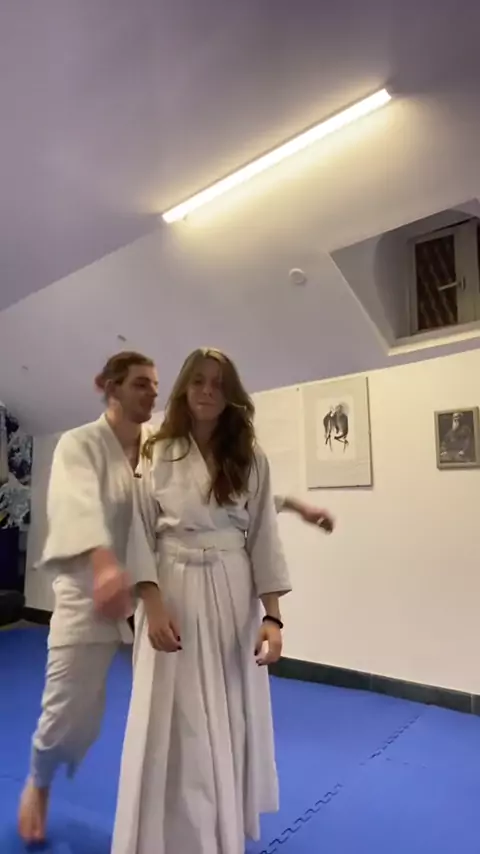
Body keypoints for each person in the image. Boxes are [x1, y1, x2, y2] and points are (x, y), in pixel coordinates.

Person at [111, 348, 317, 854]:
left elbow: (264, 537)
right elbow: (138, 532)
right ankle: (162, 837)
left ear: (231, 394)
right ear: (184, 387)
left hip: (230, 591)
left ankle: (217, 834)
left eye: (219, 383)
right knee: (170, 715)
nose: (207, 390)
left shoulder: (249, 457)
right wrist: (152, 606)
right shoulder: (155, 452)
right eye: (199, 380)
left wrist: (273, 618)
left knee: (225, 713)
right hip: (171, 588)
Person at [18, 351, 165, 844]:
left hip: (148, 595)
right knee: (67, 713)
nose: (152, 393)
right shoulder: (79, 444)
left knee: (168, 704)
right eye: (141, 383)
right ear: (109, 386)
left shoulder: (157, 449)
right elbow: (76, 502)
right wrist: (103, 565)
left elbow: (193, 497)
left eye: (155, 385)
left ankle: (169, 803)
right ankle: (39, 781)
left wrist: (281, 504)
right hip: (87, 596)